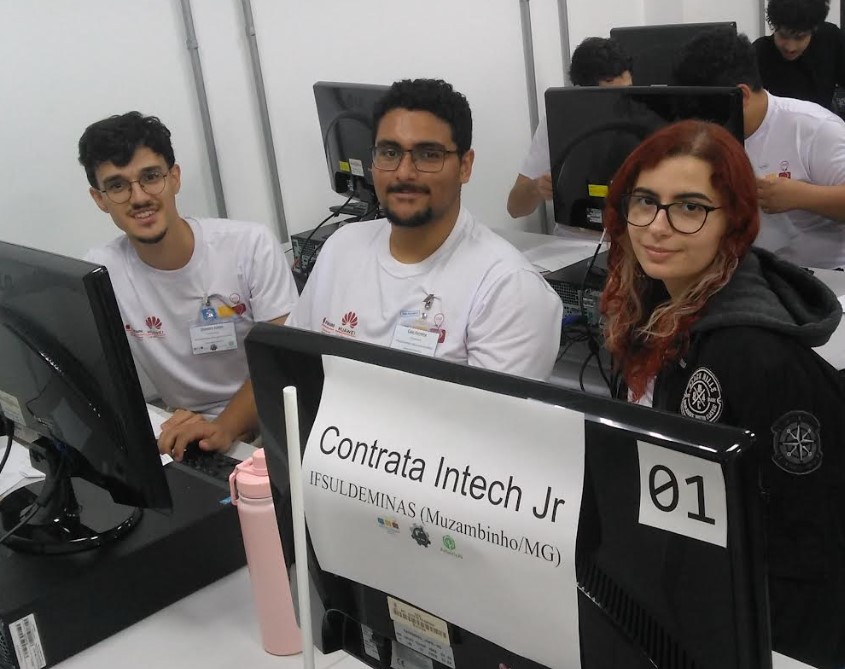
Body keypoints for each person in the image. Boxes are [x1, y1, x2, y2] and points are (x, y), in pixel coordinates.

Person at [599, 119, 845, 668]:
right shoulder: (655, 310)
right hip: (693, 588)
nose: (657, 227)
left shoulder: (753, 354)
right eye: (646, 201)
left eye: (690, 207)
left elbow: (809, 545)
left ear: (733, 220)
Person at [286, 78, 562, 380]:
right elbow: (293, 369)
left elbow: (491, 411)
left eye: (428, 155)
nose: (404, 172)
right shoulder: (342, 247)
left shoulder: (508, 288)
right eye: (389, 153)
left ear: (465, 166)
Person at [79, 112, 299, 458]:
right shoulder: (100, 271)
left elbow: (285, 363)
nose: (139, 197)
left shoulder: (250, 246)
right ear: (99, 198)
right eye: (118, 186)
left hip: (271, 421)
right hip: (184, 429)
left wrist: (223, 427)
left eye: (150, 177)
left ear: (175, 178)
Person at [673, 28, 845, 269]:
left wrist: (801, 196)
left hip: (818, 273)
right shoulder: (711, 133)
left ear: (742, 95)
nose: (704, 122)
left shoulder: (815, 128)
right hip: (747, 270)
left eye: (708, 109)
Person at [507, 37, 633, 219]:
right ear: (582, 92)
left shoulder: (644, 120)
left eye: (628, 90)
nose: (622, 101)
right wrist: (536, 188)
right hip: (574, 232)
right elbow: (514, 208)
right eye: (612, 94)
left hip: (632, 231)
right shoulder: (558, 123)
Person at [753, 0, 845, 110]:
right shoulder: (759, 53)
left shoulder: (831, 40)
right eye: (783, 36)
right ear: (774, 25)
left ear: (814, 29)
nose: (790, 47)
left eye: (800, 37)